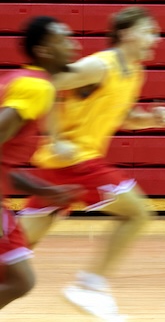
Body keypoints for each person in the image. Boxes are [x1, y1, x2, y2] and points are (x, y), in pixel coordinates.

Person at [12, 7, 165, 321]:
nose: (156, 37)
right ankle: (90, 285)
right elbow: (46, 83)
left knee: (18, 245)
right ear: (127, 34)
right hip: (75, 160)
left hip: (61, 167)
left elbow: (122, 117)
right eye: (149, 30)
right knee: (139, 213)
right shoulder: (100, 65)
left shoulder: (135, 72)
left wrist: (150, 120)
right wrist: (55, 137)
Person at [0, 16, 82, 309]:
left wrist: (45, 191)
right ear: (45, 50)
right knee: (20, 280)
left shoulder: (22, 81)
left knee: (15, 278)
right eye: (64, 39)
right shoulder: (37, 87)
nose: (75, 45)